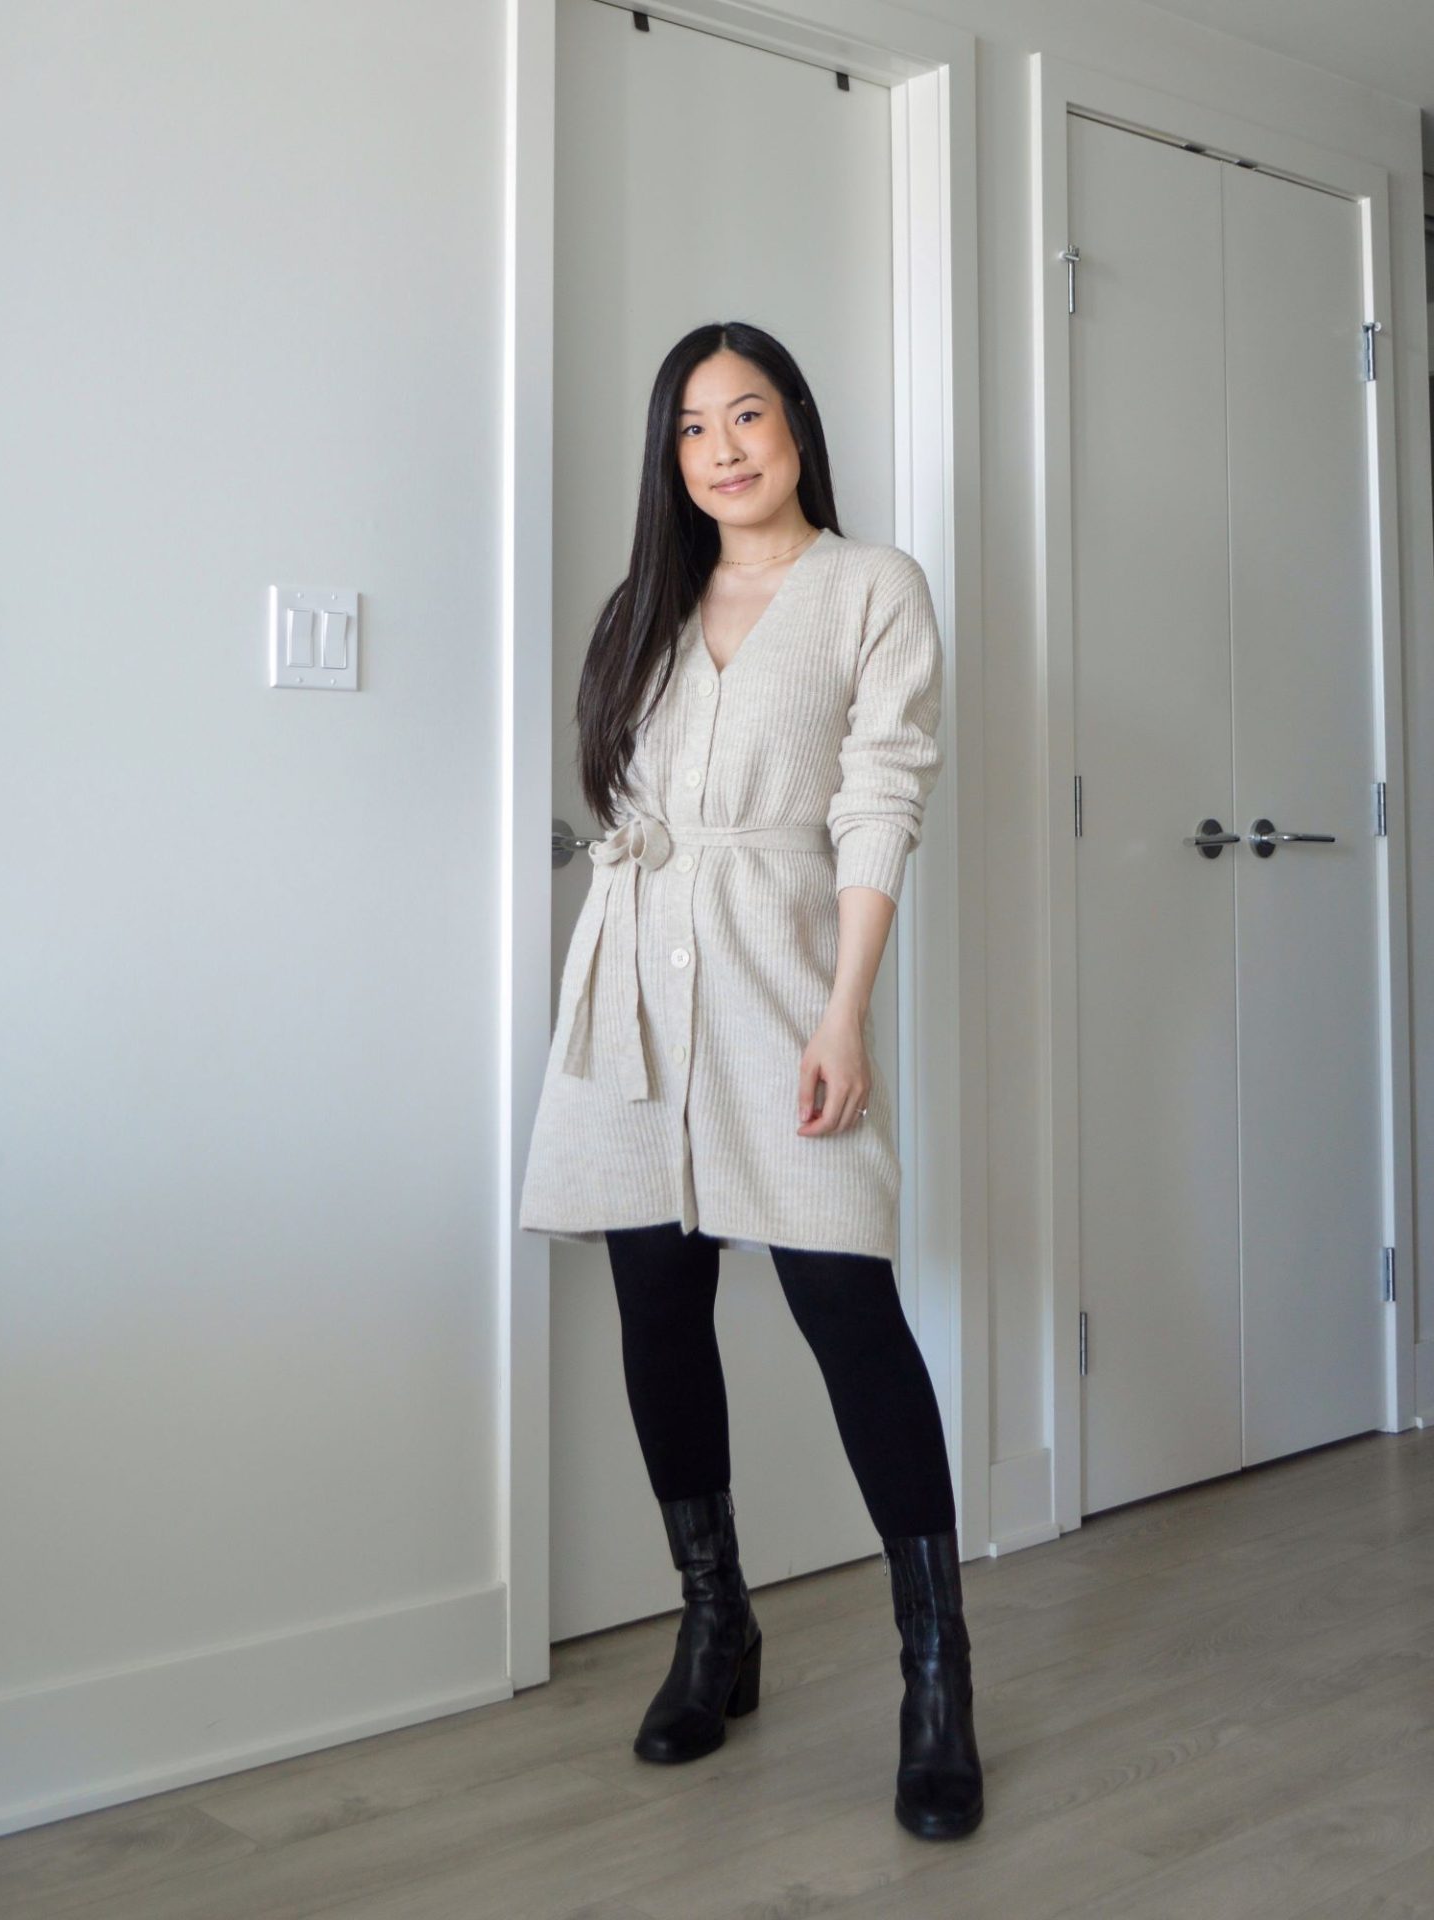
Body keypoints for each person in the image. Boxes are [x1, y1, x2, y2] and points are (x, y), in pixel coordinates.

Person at [519, 321, 982, 1841]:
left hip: (787, 987)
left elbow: (879, 804)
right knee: (658, 1298)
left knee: (846, 1304)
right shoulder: (643, 608)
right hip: (636, 991)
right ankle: (715, 1624)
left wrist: (843, 1016)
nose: (724, 448)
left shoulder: (871, 588)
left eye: (750, 415)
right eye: (693, 428)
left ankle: (935, 1676)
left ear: (797, 428)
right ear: (673, 458)